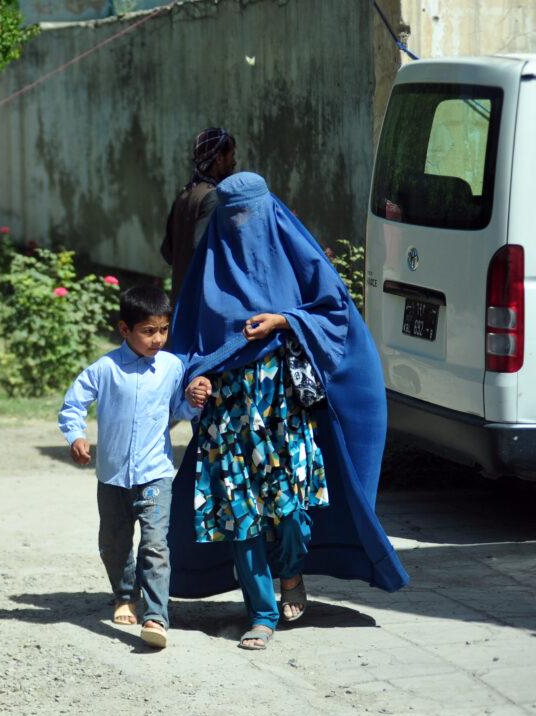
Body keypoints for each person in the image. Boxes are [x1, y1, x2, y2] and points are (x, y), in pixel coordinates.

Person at [166, 172, 409, 650]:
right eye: (233, 217)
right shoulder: (207, 268)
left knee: (292, 510)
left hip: (284, 409)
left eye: (251, 214)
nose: (243, 227)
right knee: (241, 515)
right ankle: (261, 611)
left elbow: (335, 312)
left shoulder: (296, 254)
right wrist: (195, 378)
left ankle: (291, 573)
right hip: (227, 414)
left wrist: (284, 318)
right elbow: (188, 344)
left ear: (269, 211)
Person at [59, 285, 211, 649]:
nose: (157, 338)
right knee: (113, 543)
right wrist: (75, 436)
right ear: (125, 329)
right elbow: (73, 404)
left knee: (156, 544)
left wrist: (192, 400)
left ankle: (156, 615)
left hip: (155, 472)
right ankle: (124, 593)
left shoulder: (173, 367)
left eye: (162, 330)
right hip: (111, 475)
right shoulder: (105, 368)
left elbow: (177, 412)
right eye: (148, 331)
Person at [160, 128, 238, 302]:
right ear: (219, 158)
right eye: (232, 155)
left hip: (181, 298)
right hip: (202, 302)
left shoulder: (185, 193)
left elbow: (167, 252)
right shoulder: (214, 197)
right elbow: (203, 251)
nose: (234, 161)